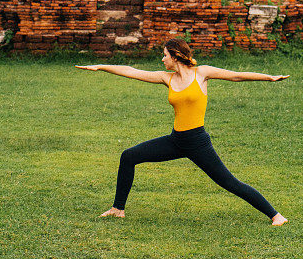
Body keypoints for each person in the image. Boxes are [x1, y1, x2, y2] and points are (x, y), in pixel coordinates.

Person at [76, 37, 289, 225]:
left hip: (197, 143)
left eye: (165, 55)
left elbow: (237, 75)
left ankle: (276, 215)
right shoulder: (166, 77)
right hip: (176, 140)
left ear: (175, 56)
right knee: (129, 156)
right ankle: (118, 209)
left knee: (229, 182)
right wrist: (101, 66)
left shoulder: (202, 73)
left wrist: (268, 77)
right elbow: (132, 72)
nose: (162, 59)